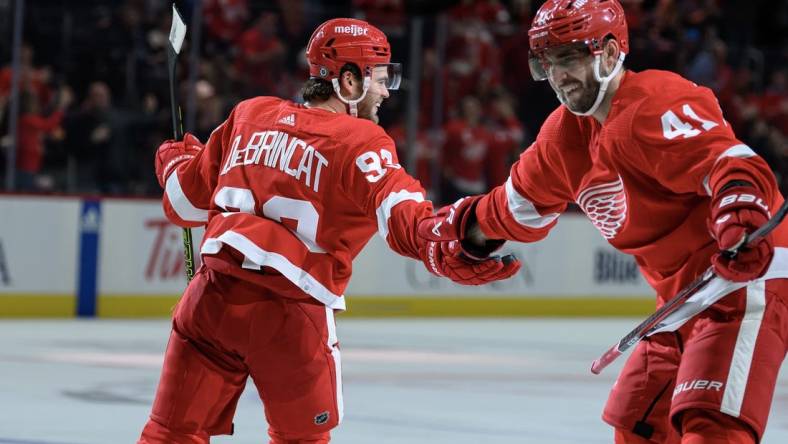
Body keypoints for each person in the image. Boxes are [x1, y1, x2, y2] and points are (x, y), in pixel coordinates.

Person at [417, 1, 788, 443]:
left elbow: (731, 164)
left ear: (610, 54)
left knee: (711, 430)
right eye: (548, 62)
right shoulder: (563, 138)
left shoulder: (654, 102)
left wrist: (741, 214)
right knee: (637, 428)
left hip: (744, 281)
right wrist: (464, 237)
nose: (558, 76)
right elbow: (512, 209)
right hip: (678, 301)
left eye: (569, 58)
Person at [138, 17, 520, 444]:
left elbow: (184, 203)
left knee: (170, 434)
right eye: (380, 77)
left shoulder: (250, 114)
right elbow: (408, 222)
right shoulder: (361, 141)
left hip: (209, 303)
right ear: (349, 80)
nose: (386, 90)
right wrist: (466, 241)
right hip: (291, 319)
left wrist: (174, 157)